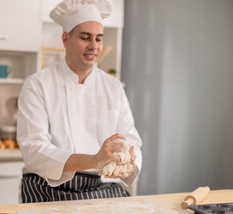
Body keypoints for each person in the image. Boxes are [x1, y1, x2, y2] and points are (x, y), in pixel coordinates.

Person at [17, 0, 142, 203]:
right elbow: (34, 150)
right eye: (85, 37)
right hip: (46, 188)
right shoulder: (37, 85)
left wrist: (128, 159)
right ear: (66, 39)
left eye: (99, 39)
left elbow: (131, 139)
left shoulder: (113, 87)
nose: (93, 46)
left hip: (100, 187)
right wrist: (93, 160)